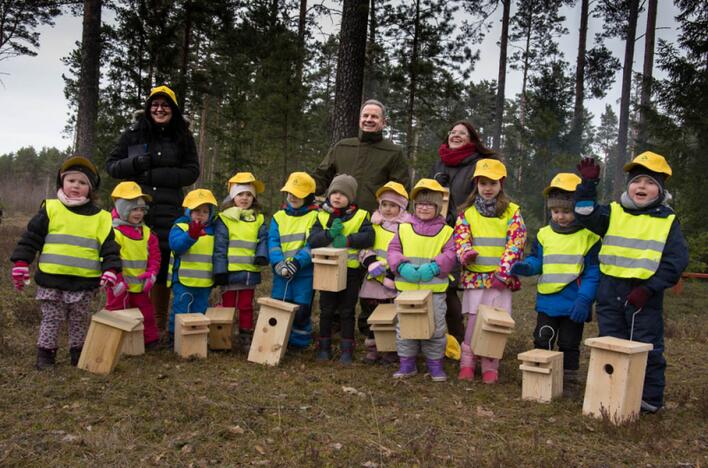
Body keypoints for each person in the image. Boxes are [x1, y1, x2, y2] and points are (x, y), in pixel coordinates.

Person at [574, 152, 688, 413]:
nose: (641, 187)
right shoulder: (612, 211)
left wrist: (650, 288)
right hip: (610, 289)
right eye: (637, 181)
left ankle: (648, 400)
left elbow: (676, 261)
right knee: (610, 344)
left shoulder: (667, 220)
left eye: (649, 182)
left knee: (646, 347)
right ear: (629, 186)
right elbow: (583, 214)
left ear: (659, 189)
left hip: (643, 295)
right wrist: (588, 186)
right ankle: (610, 394)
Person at [10, 156, 121, 369]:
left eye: (82, 183)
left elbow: (110, 248)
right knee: (51, 319)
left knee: (79, 320)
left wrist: (111, 270)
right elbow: (31, 237)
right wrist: (22, 262)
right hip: (51, 280)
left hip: (84, 282)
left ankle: (78, 353)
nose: (76, 186)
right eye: (71, 181)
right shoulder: (50, 209)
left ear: (90, 188)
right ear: (62, 183)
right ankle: (45, 355)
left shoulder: (101, 217)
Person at [106, 85, 200, 335]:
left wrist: (154, 173)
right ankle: (125, 318)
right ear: (148, 108)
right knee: (130, 261)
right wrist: (134, 163)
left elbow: (192, 172)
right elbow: (112, 166)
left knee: (162, 261)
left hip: (169, 209)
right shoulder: (134, 133)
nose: (160, 109)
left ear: (174, 110)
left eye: (165, 105)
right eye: (155, 105)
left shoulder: (183, 136)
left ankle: (156, 323)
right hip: (135, 211)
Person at [511, 173, 600, 389]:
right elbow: (538, 260)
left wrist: (585, 299)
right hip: (547, 301)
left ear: (578, 208)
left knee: (569, 344)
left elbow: (593, 272)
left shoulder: (590, 236)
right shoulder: (543, 234)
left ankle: (568, 382)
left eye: (566, 211)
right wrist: (528, 266)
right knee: (543, 338)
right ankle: (540, 377)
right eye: (555, 211)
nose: (560, 216)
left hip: (574, 303)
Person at [454, 159, 526, 383]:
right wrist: (465, 253)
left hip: (499, 279)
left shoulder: (512, 211)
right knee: (474, 321)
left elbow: (516, 242)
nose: (487, 188)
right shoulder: (466, 213)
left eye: (492, 183)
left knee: (495, 323)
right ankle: (468, 361)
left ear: (501, 184)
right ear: (476, 184)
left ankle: (490, 364)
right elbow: (460, 237)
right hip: (475, 277)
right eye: (483, 182)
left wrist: (503, 273)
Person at [431, 120, 496, 345]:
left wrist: (458, 216)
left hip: (468, 232)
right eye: (453, 132)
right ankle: (451, 337)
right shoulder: (440, 163)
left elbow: (484, 195)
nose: (455, 135)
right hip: (439, 231)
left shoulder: (480, 163)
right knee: (444, 283)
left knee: (469, 288)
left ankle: (472, 339)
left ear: (471, 139)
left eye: (462, 133)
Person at [387, 179, 457, 381]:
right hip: (407, 289)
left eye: (429, 204)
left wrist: (436, 266)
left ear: (437, 206)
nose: (424, 207)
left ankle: (435, 365)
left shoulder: (446, 231)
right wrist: (401, 266)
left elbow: (451, 253)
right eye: (420, 204)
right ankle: (407, 364)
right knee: (405, 327)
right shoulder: (403, 228)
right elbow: (393, 250)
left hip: (433, 290)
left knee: (435, 328)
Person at [308, 174, 374, 363]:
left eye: (343, 194)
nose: (337, 197)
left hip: (351, 271)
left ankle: (347, 349)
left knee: (347, 310)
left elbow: (369, 237)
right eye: (334, 192)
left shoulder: (361, 215)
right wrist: (329, 234)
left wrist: (348, 240)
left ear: (351, 198)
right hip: (326, 270)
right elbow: (312, 240)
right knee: (326, 309)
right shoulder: (320, 215)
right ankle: (324, 347)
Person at [313, 99, 410, 213]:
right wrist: (301, 191)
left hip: (374, 221)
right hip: (339, 218)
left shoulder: (394, 152)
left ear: (384, 122)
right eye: (365, 116)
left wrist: (393, 219)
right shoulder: (342, 146)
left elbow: (401, 192)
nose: (368, 119)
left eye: (374, 116)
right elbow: (321, 177)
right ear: (360, 120)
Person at [212, 172, 269, 352]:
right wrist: (219, 271)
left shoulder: (258, 219)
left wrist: (261, 255)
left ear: (254, 198)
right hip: (229, 272)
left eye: (249, 194)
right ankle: (223, 336)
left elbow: (263, 240)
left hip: (249, 271)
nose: (244, 198)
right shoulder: (224, 218)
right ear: (232, 196)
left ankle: (245, 336)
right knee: (228, 305)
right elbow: (220, 246)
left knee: (246, 306)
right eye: (240, 194)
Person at [358, 181, 411, 364]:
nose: (388, 209)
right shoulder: (373, 225)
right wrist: (370, 261)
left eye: (393, 205)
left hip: (394, 279)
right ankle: (373, 347)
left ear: (401, 207)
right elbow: (363, 247)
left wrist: (392, 272)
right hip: (373, 278)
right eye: (384, 204)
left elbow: (408, 253)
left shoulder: (406, 228)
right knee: (371, 313)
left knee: (391, 315)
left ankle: (391, 349)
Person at [105, 181, 161, 348]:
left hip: (140, 285)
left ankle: (150, 340)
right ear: (122, 209)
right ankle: (113, 342)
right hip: (118, 285)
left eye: (141, 209)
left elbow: (155, 256)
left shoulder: (146, 233)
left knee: (147, 314)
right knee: (117, 313)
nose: (138, 213)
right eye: (133, 209)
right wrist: (117, 279)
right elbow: (109, 257)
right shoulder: (113, 232)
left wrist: (152, 273)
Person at [268, 172, 319, 349]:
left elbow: (312, 244)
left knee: (301, 309)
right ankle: (278, 341)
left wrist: (298, 262)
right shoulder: (278, 217)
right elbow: (273, 242)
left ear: (309, 196)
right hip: (281, 271)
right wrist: (277, 263)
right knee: (279, 305)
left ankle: (299, 343)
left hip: (304, 272)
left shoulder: (315, 216)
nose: (292, 197)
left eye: (298, 194)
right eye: (290, 193)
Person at [166, 189, 218, 339]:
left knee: (200, 310)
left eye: (205, 211)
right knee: (181, 309)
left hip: (204, 281)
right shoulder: (180, 227)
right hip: (183, 280)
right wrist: (191, 235)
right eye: (196, 210)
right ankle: (174, 337)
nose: (200, 214)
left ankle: (196, 337)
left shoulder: (214, 230)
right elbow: (176, 246)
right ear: (188, 211)